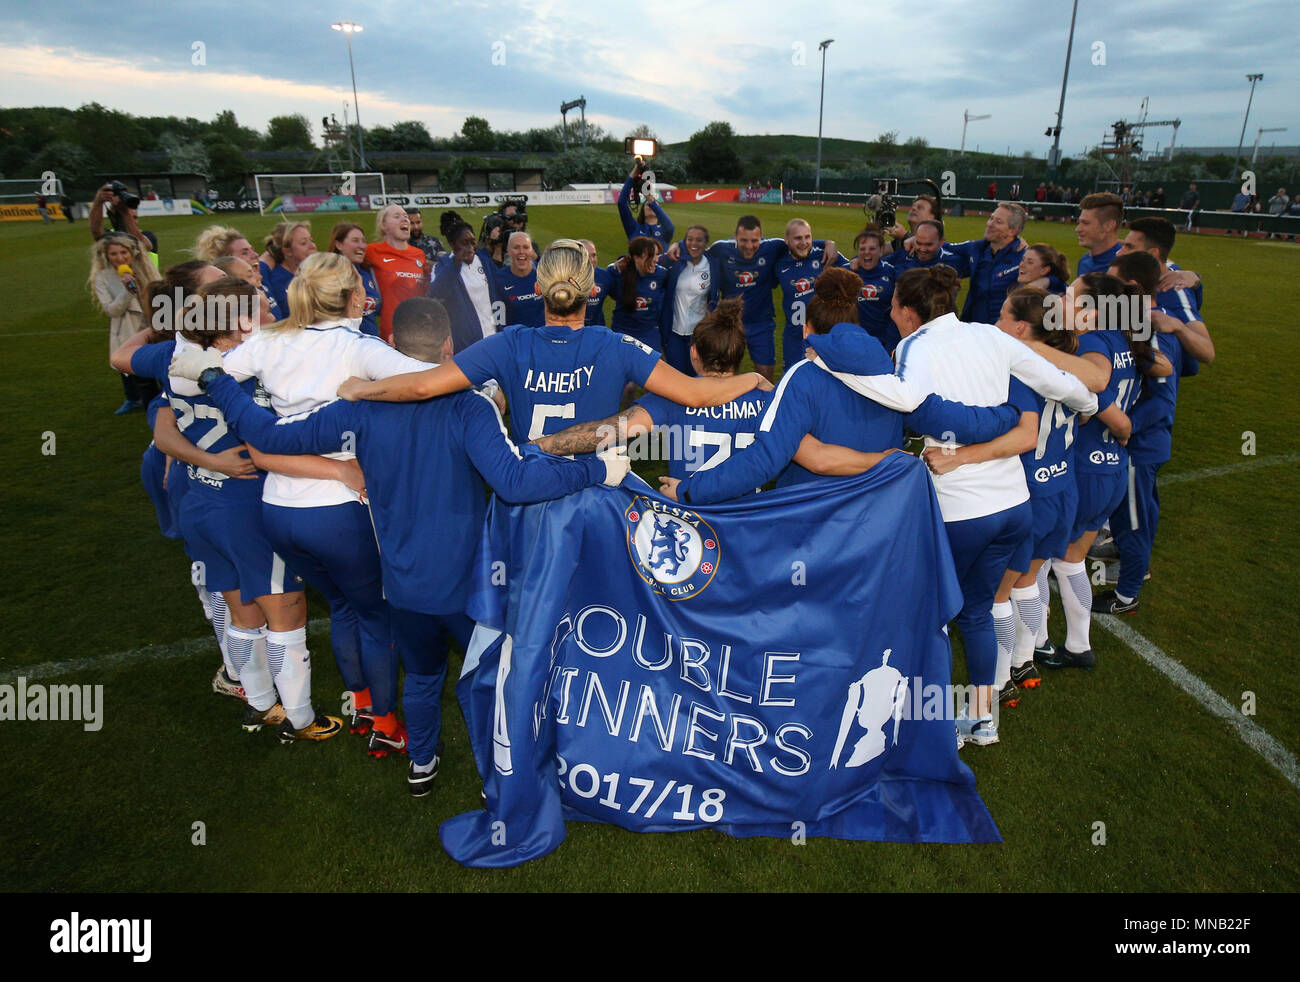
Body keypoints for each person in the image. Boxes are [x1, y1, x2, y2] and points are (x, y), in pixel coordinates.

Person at [169, 296, 629, 794]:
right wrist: (596, 467)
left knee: (425, 676)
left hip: (404, 583)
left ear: (389, 346)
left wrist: (214, 378)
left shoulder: (363, 408)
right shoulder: (469, 406)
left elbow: (267, 434)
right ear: (451, 346)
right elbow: (515, 482)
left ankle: (422, 764)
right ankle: (503, 774)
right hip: (471, 588)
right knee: (498, 680)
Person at [805, 266, 1098, 746]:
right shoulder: (988, 335)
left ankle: (936, 732)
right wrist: (1086, 401)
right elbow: (1055, 381)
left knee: (934, 615)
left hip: (962, 511)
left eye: (895, 304)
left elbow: (907, 398)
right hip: (1015, 506)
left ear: (908, 311)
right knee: (978, 612)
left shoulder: (915, 347)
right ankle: (984, 721)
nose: (891, 312)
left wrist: (830, 360)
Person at [216, 251, 434, 756]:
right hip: (340, 508)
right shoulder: (354, 346)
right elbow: (422, 381)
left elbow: (206, 373)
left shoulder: (270, 340)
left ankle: (360, 702)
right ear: (355, 296)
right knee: (376, 616)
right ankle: (384, 723)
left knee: (341, 607)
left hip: (276, 508)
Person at [113, 277, 344, 742]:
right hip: (246, 504)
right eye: (259, 308)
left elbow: (123, 356)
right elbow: (268, 441)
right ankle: (301, 720)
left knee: (241, 610)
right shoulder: (251, 367)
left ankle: (260, 706)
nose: (268, 314)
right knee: (286, 614)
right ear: (237, 322)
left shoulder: (171, 354)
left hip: (199, 498)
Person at [336, 238, 774, 449]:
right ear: (591, 290)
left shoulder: (509, 344)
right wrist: (752, 376)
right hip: (597, 491)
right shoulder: (616, 345)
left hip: (529, 488)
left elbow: (420, 386)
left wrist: (361, 389)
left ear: (540, 287)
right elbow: (696, 394)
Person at [664, 268, 1023, 505]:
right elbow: (949, 418)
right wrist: (1009, 416)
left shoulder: (803, 376)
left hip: (813, 520)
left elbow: (764, 460)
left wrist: (691, 489)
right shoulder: (893, 372)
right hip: (875, 514)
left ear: (807, 328)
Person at [925, 285, 1083, 702]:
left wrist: (959, 457)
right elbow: (1086, 399)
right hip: (1054, 487)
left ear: (1021, 327)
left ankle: (998, 683)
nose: (993, 324)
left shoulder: (1013, 368)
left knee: (991, 598)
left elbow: (1026, 434)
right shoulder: (1062, 366)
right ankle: (1020, 664)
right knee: (1026, 583)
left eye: (1000, 317)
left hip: (1018, 493)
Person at [1034, 272, 1169, 669]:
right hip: (1111, 470)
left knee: (1038, 561)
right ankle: (1078, 646)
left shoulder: (1093, 342)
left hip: (1081, 467)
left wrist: (1119, 422)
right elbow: (1159, 369)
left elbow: (1101, 393)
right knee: (1071, 559)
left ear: (1091, 310)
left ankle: (1037, 643)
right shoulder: (1125, 336)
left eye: (1069, 296)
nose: (1060, 301)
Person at [89, 232, 162, 414]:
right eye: (114, 254)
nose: (119, 258)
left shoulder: (146, 269)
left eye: (123, 252)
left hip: (155, 328)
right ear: (106, 255)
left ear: (132, 253)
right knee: (143, 379)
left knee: (165, 373)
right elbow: (111, 310)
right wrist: (127, 291)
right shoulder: (102, 277)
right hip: (129, 332)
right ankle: (152, 415)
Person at [429, 216, 506, 353]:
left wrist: (502, 328)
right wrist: (455, 264)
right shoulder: (442, 265)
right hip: (466, 346)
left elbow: (498, 297)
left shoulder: (484, 261)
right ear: (453, 244)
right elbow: (437, 293)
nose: (470, 248)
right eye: (464, 243)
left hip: (494, 339)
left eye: (472, 242)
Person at [775, 219, 841, 373]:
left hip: (822, 337)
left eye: (807, 237)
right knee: (792, 381)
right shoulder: (778, 262)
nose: (804, 242)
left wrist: (828, 243)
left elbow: (853, 270)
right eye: (798, 238)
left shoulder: (825, 256)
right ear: (787, 240)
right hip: (794, 338)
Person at [946, 202, 1029, 324]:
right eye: (991, 218)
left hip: (1000, 333)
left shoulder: (1023, 258)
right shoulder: (975, 248)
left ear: (1012, 231)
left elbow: (1053, 283)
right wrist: (911, 238)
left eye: (998, 222)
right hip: (970, 328)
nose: (989, 224)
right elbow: (939, 247)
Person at [365, 204, 429, 343]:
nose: (405, 219)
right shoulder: (372, 251)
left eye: (406, 216)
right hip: (391, 335)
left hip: (421, 331)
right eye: (397, 216)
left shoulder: (419, 254)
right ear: (383, 225)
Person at [656, 227, 713, 375]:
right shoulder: (675, 261)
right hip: (674, 333)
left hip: (699, 335)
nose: (694, 243)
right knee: (677, 378)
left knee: (697, 377)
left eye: (699, 240)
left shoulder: (712, 265)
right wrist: (623, 260)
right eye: (690, 239)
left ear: (706, 243)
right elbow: (648, 259)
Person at [608, 236, 670, 353]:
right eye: (651, 256)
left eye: (657, 255)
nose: (656, 260)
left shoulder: (662, 275)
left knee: (649, 369)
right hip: (622, 332)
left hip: (648, 333)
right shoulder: (618, 272)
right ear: (636, 258)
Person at [848, 228, 898, 352]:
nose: (867, 253)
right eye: (862, 249)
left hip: (883, 343)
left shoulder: (892, 272)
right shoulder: (847, 273)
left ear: (881, 251)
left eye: (872, 249)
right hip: (855, 342)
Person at [329, 222, 382, 337]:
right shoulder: (328, 276)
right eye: (355, 240)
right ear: (339, 245)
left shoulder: (368, 272)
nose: (362, 246)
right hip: (344, 346)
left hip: (371, 345)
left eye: (363, 241)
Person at [263, 221, 317, 319]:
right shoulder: (275, 280)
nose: (312, 246)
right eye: (304, 243)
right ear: (287, 251)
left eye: (312, 240)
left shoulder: (319, 272)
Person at [617, 159, 675, 249]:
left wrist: (650, 199)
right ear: (642, 210)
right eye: (647, 204)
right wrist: (635, 171)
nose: (649, 204)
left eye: (653, 204)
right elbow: (621, 203)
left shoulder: (664, 231)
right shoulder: (634, 228)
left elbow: (670, 226)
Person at [885, 220, 970, 276]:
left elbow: (980, 251)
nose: (922, 249)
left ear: (941, 242)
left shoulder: (954, 261)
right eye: (918, 243)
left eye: (928, 245)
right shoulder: (903, 254)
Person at [496, 231, 544, 327]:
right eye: (516, 248)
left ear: (531, 251)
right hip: (514, 340)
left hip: (542, 338)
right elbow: (498, 321)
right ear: (508, 251)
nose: (521, 252)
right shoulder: (498, 280)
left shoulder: (545, 273)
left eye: (526, 247)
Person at [1075, 192, 1124, 276]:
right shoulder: (1084, 261)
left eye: (1085, 223)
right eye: (1079, 222)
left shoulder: (1126, 267)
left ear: (1108, 226)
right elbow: (1073, 289)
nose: (1077, 229)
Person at [579, 239, 617, 329]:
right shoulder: (564, 278)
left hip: (597, 329)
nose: (592, 260)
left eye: (594, 255)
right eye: (587, 256)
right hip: (573, 332)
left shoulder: (604, 277)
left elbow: (620, 298)